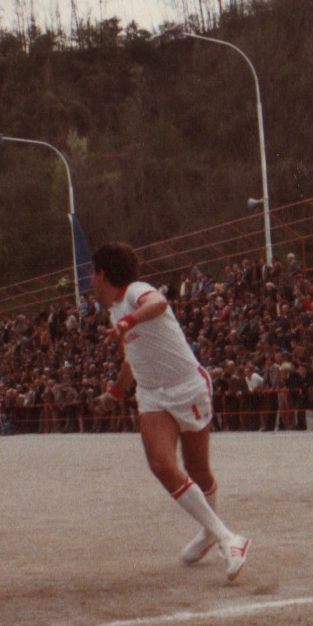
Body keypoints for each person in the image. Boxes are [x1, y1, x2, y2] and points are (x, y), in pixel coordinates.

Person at [90, 242, 251, 579]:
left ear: (103, 274)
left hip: (187, 386)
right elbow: (133, 360)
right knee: (162, 464)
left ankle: (210, 532)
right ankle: (225, 537)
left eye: (93, 274)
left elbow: (159, 303)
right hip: (152, 394)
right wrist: (115, 393)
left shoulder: (136, 291)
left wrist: (128, 321)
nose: (90, 281)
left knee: (198, 470)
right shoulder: (114, 311)